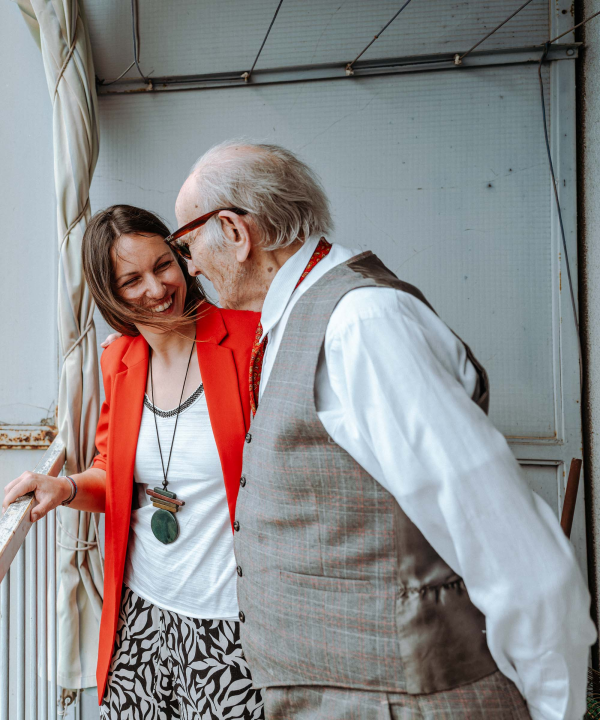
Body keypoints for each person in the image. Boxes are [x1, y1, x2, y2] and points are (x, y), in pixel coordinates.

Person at [162, 140, 596, 720]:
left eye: (186, 243)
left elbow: (512, 547)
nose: (189, 266)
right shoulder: (299, 317)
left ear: (235, 232)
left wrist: (554, 709)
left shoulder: (362, 324)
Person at [2, 205, 264, 720]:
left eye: (163, 265)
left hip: (231, 620)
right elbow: (112, 471)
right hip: (139, 613)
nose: (157, 288)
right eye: (132, 280)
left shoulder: (251, 339)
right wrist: (65, 488)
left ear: (182, 259)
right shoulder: (118, 359)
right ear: (110, 294)